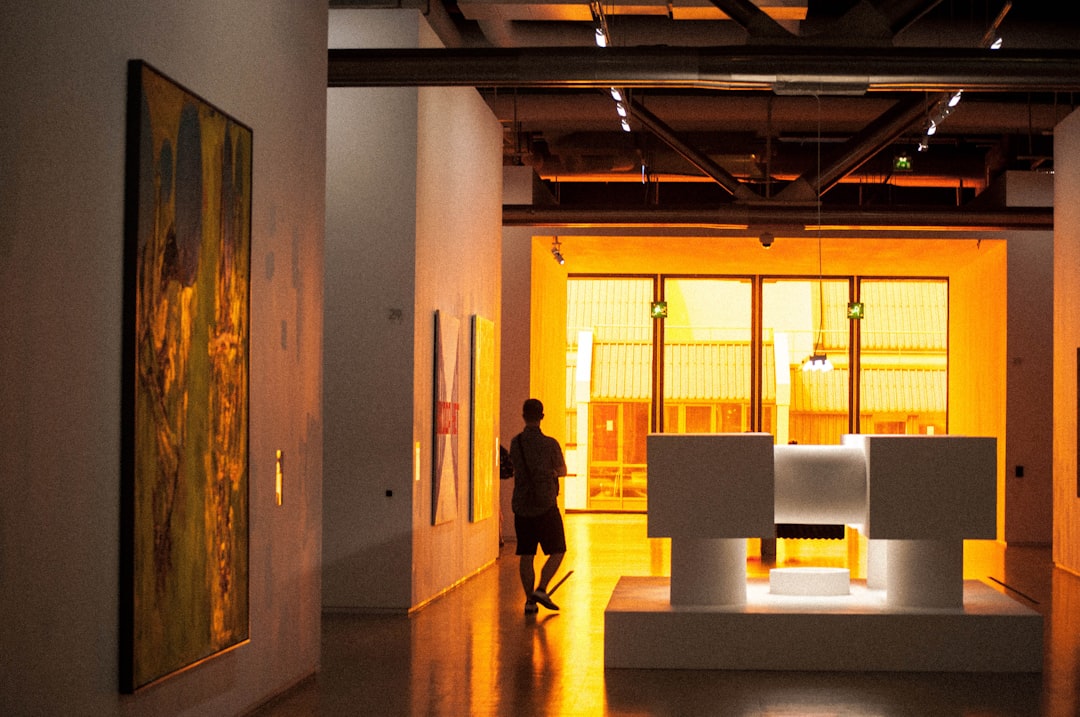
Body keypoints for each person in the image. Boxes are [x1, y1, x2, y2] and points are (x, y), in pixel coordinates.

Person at [509, 398, 567, 614]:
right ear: (542, 416)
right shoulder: (550, 444)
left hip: (522, 506)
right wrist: (551, 473)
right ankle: (542, 588)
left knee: (526, 554)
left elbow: (515, 468)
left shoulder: (516, 443)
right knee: (558, 549)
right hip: (545, 505)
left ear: (523, 416)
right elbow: (562, 470)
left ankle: (529, 601)